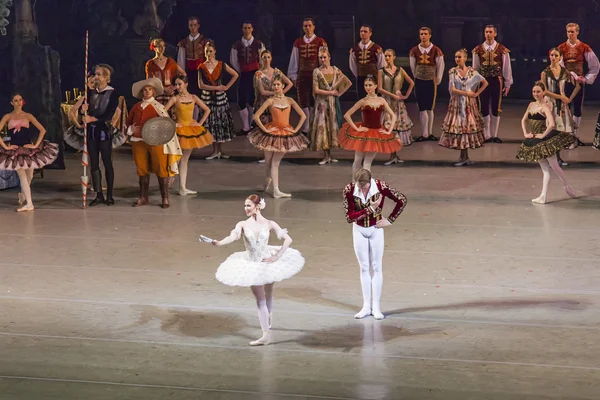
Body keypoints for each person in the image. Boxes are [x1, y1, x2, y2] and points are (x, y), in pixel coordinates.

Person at [211, 194, 304, 346]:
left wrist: (278, 256)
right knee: (260, 299)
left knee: (269, 292)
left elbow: (288, 239)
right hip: (252, 264)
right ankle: (266, 334)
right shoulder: (242, 224)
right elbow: (233, 236)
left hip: (267, 261)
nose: (246, 208)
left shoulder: (269, 223)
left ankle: (268, 319)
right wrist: (220, 243)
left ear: (258, 206)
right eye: (245, 206)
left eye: (249, 205)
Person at [343, 168, 407, 320]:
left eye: (364, 187)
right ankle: (366, 305)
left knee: (377, 267)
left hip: (375, 229)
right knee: (364, 267)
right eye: (359, 186)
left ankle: (376, 306)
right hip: (358, 230)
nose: (362, 190)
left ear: (369, 182)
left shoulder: (381, 186)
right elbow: (349, 217)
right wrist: (370, 208)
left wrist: (390, 220)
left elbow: (402, 200)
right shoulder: (349, 189)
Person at [516, 81, 576, 204]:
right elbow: (523, 120)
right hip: (534, 140)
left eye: (538, 91)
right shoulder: (531, 105)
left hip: (544, 140)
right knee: (545, 168)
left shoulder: (545, 106)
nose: (536, 94)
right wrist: (525, 133)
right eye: (534, 91)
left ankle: (566, 186)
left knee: (554, 166)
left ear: (543, 92)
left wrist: (543, 135)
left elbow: (552, 124)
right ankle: (543, 195)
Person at [126, 77, 182, 208]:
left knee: (161, 167)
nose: (147, 92)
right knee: (142, 169)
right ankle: (143, 197)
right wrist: (130, 129)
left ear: (153, 92)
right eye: (145, 90)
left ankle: (165, 198)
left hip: (156, 142)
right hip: (138, 141)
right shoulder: (136, 107)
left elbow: (166, 125)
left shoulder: (159, 107)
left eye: (149, 89)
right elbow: (128, 122)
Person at [249, 76, 308, 198]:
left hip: (285, 133)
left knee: (275, 162)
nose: (276, 87)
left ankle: (276, 190)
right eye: (274, 85)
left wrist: (296, 130)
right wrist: (264, 129)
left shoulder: (289, 100)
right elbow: (256, 116)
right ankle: (266, 184)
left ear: (282, 86)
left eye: (278, 84)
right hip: (271, 132)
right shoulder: (270, 101)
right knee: (268, 162)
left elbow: (303, 115)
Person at [0, 93, 58, 212]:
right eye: (16, 100)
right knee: (23, 177)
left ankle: (22, 194)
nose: (18, 102)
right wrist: (6, 146)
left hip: (28, 149)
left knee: (29, 176)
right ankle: (29, 204)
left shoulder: (28, 116)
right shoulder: (8, 116)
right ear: (11, 103)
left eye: (20, 100)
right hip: (16, 150)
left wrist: (36, 145)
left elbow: (42, 130)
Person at [338, 75, 400, 178]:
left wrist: (389, 131)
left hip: (376, 133)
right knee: (357, 160)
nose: (368, 87)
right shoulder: (363, 101)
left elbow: (393, 115)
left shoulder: (381, 100)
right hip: (363, 133)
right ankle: (355, 183)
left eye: (370, 85)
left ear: (375, 86)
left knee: (367, 162)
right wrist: (357, 128)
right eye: (366, 85)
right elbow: (347, 115)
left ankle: (366, 185)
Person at [439, 49, 488, 166]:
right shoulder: (452, 71)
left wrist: (476, 94)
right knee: (459, 127)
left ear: (465, 58)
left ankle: (465, 156)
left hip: (469, 105)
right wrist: (468, 93)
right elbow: (453, 89)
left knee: (466, 128)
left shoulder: (472, 72)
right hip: (457, 104)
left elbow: (485, 82)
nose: (457, 59)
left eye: (459, 57)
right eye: (456, 57)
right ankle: (463, 156)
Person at [165, 75, 213, 195]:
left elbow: (207, 110)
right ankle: (169, 179)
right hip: (179, 130)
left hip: (190, 131)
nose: (177, 87)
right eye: (176, 84)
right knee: (176, 157)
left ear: (186, 84)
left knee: (185, 159)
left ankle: (182, 187)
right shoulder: (175, 99)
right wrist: (173, 124)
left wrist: (199, 123)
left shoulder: (193, 97)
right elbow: (162, 111)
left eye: (179, 84)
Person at [81, 64, 120, 206]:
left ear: (105, 77)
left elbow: (109, 113)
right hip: (92, 132)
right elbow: (87, 111)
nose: (95, 77)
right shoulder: (90, 92)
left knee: (107, 162)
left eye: (98, 74)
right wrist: (83, 110)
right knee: (94, 164)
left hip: (104, 132)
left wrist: (94, 119)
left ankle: (109, 195)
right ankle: (99, 194)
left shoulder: (112, 93)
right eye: (95, 74)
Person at [557, 22, 600, 146]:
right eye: (568, 31)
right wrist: (566, 75)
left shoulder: (584, 47)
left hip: (578, 83)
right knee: (565, 108)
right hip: (565, 82)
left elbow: (595, 65)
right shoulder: (561, 47)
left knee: (577, 108)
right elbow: (559, 64)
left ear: (577, 32)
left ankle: (574, 136)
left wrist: (585, 79)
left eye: (572, 31)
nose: (570, 34)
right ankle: (566, 135)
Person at [472, 25, 513, 143]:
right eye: (486, 32)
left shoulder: (502, 49)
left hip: (497, 80)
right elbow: (476, 68)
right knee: (484, 106)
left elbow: (506, 67)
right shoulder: (477, 49)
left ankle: (494, 134)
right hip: (483, 81)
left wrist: (508, 83)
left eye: (490, 32)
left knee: (496, 106)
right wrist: (474, 84)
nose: (488, 34)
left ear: (495, 33)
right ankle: (486, 134)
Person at [199, 41, 239, 160]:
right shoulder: (202, 66)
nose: (209, 54)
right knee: (211, 122)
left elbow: (235, 74)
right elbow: (201, 85)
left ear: (215, 52)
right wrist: (217, 87)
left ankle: (220, 150)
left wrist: (226, 87)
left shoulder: (221, 65)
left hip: (220, 98)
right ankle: (214, 150)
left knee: (220, 122)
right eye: (207, 51)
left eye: (211, 51)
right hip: (207, 97)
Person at [310, 48, 351, 164]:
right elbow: (316, 89)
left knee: (331, 126)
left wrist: (338, 94)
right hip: (322, 104)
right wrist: (330, 93)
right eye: (320, 58)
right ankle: (325, 155)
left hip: (332, 104)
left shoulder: (336, 70)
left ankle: (330, 155)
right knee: (322, 126)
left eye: (324, 57)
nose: (322, 60)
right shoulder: (317, 72)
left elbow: (347, 82)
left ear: (329, 58)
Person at [287, 17, 328, 133]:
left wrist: (323, 74)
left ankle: (315, 125)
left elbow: (324, 60)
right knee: (303, 101)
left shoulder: (320, 41)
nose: (308, 28)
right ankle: (306, 126)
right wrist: (293, 76)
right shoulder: (298, 42)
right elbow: (294, 59)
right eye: (305, 26)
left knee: (315, 100)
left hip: (316, 75)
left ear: (314, 27)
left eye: (310, 25)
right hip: (302, 75)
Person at [541, 47, 580, 165]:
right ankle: (551, 157)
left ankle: (557, 157)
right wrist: (560, 97)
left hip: (562, 105)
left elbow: (577, 86)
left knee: (559, 131)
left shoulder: (565, 72)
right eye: (552, 55)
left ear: (560, 58)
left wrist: (569, 98)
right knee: (551, 130)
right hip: (550, 103)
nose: (553, 58)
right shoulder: (545, 72)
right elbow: (544, 91)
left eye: (556, 55)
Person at [253, 50, 294, 163]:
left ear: (271, 58)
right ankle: (266, 154)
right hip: (264, 104)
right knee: (266, 128)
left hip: (276, 104)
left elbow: (289, 83)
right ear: (261, 59)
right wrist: (276, 93)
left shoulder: (277, 72)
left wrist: (281, 93)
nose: (266, 59)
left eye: (268, 57)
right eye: (264, 57)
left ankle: (275, 151)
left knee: (276, 128)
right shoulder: (259, 74)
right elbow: (262, 91)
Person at [377, 49, 415, 165]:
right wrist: (392, 95)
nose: (387, 58)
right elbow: (380, 88)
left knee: (397, 126)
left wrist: (405, 95)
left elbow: (411, 82)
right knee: (389, 126)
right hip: (387, 102)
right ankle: (392, 155)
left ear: (394, 57)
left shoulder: (400, 70)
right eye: (385, 56)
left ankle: (395, 154)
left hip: (398, 103)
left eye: (389, 56)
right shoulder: (381, 71)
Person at [409, 27, 444, 142]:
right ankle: (424, 133)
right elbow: (413, 65)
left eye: (425, 34)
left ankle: (430, 132)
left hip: (430, 80)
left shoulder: (436, 50)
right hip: (419, 80)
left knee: (430, 107)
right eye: (421, 34)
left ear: (430, 35)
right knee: (422, 107)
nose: (423, 36)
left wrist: (438, 78)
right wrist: (416, 75)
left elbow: (440, 65)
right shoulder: (414, 50)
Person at [230, 22, 266, 134]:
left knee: (252, 100)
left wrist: (260, 72)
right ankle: (245, 126)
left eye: (249, 28)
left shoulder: (259, 44)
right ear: (242, 29)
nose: (247, 30)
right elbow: (233, 60)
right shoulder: (237, 45)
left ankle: (251, 125)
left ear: (252, 29)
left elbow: (263, 60)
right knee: (241, 100)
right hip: (243, 74)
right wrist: (241, 70)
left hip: (255, 74)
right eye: (245, 28)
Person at [177, 16, 211, 98]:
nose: (193, 27)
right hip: (189, 70)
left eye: (195, 25)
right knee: (190, 91)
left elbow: (209, 56)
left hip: (202, 70)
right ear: (188, 26)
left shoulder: (205, 41)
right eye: (191, 25)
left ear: (198, 25)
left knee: (202, 91)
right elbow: (181, 58)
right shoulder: (183, 42)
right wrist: (182, 73)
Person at [146, 38, 187, 105]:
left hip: (169, 93)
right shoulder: (150, 63)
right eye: (160, 46)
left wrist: (175, 87)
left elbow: (183, 73)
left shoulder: (170, 61)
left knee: (170, 112)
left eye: (163, 46)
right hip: (157, 93)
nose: (162, 48)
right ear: (155, 48)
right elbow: (149, 81)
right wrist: (163, 88)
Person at [349, 25, 384, 99]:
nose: (363, 33)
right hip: (360, 77)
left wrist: (377, 75)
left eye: (365, 31)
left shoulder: (377, 48)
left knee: (373, 97)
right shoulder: (355, 49)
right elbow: (352, 65)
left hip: (373, 77)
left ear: (370, 33)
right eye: (361, 31)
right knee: (361, 98)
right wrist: (358, 74)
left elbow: (381, 63)